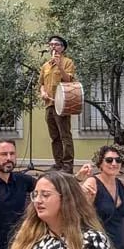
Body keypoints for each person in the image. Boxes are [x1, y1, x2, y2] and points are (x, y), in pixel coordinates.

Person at [39, 35, 76, 172]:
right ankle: (58, 163)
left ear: (62, 47)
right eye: (51, 44)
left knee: (64, 135)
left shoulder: (68, 62)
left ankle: (68, 165)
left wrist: (59, 66)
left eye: (56, 44)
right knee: (54, 136)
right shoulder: (45, 66)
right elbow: (41, 84)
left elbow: (68, 80)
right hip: (49, 104)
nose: (52, 47)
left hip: (62, 104)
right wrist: (43, 93)